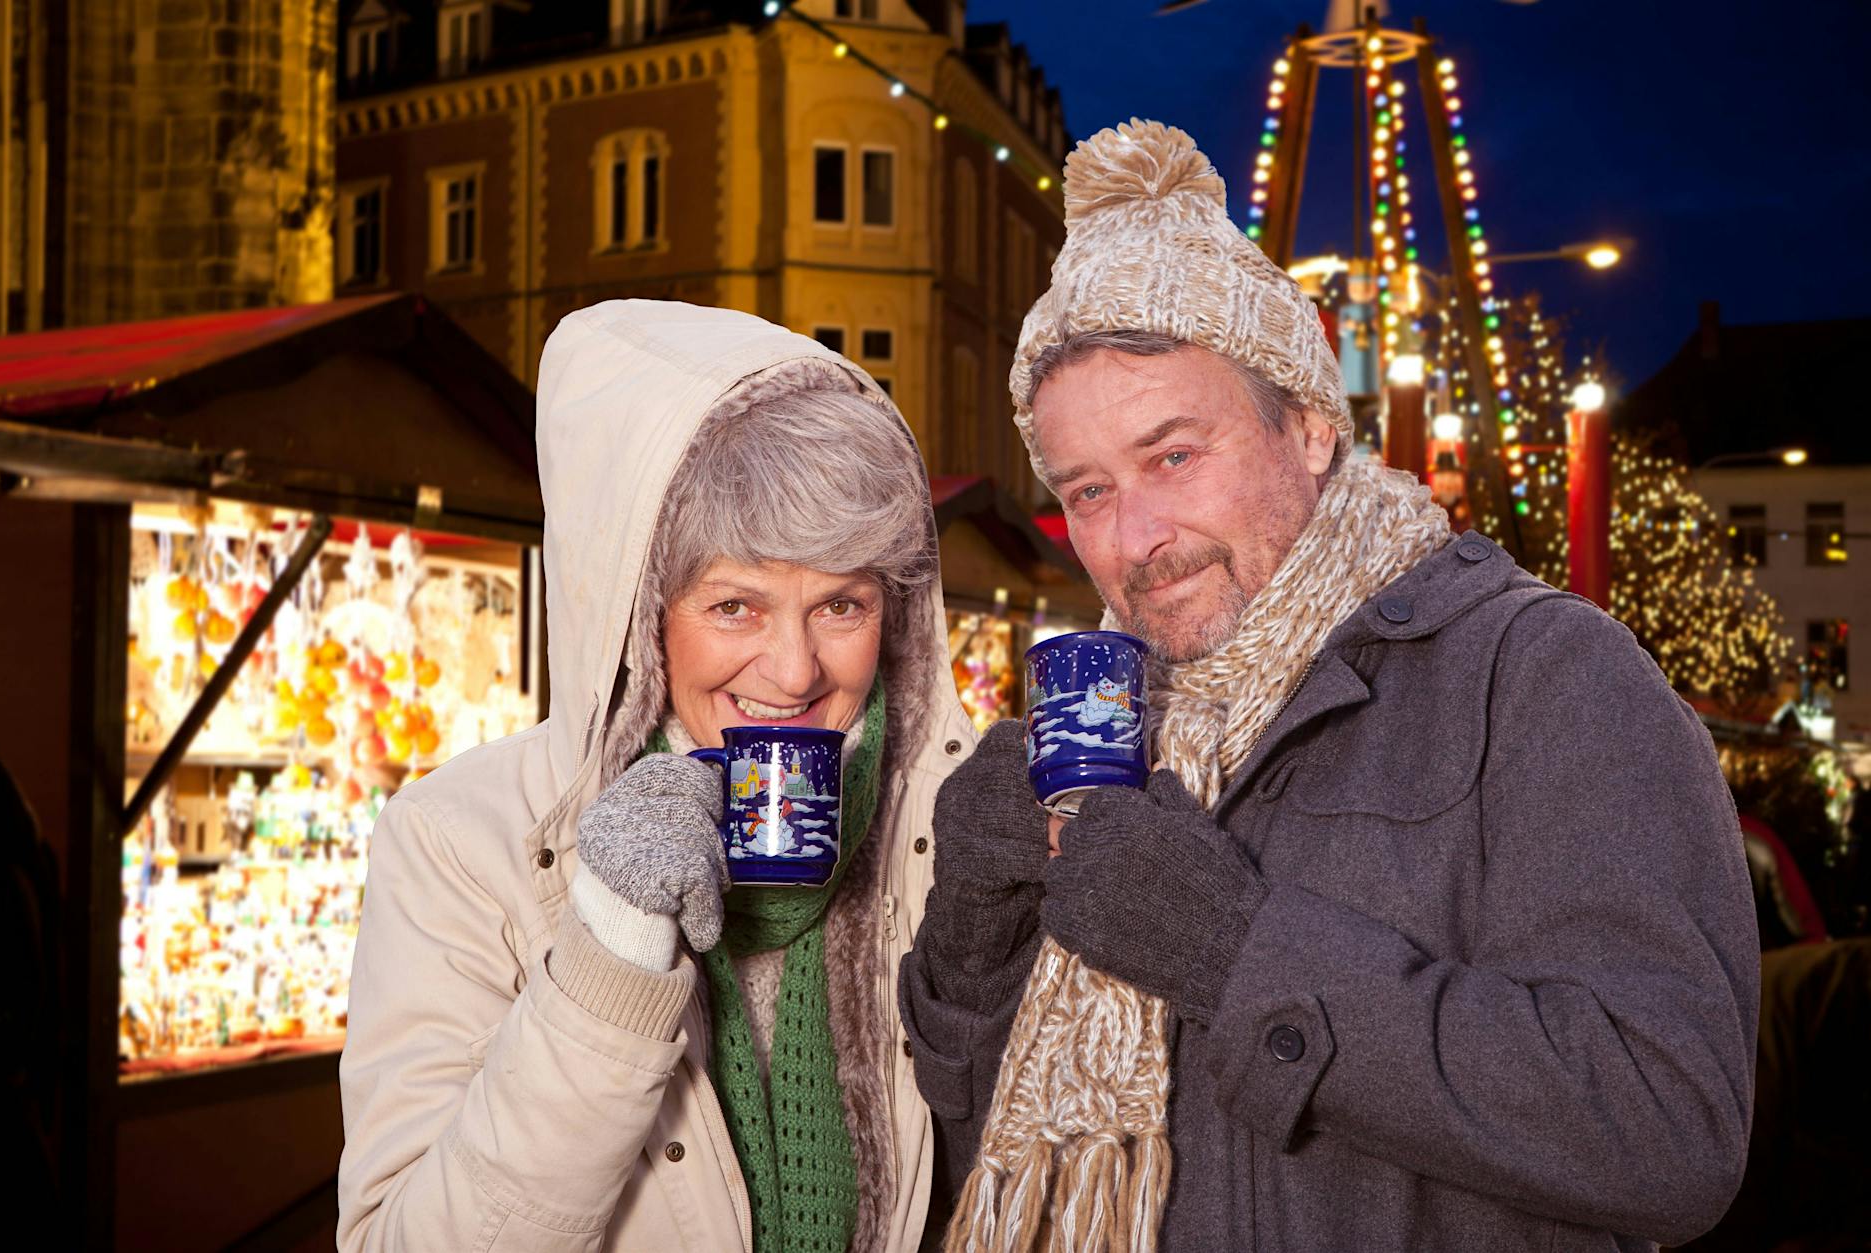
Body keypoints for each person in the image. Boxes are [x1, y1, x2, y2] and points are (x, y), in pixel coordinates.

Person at [900, 120, 1759, 1251]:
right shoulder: (1105, 725)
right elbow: (971, 1154)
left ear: (1307, 426)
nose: (1136, 536)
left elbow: (1669, 1126)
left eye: (1172, 455)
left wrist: (1238, 949)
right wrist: (970, 935)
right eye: (1088, 490)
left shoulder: (1545, 675)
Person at [338, 301, 977, 1251]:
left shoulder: (951, 817)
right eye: (735, 605)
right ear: (643, 614)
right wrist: (611, 945)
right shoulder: (460, 842)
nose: (794, 670)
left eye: (840, 602)